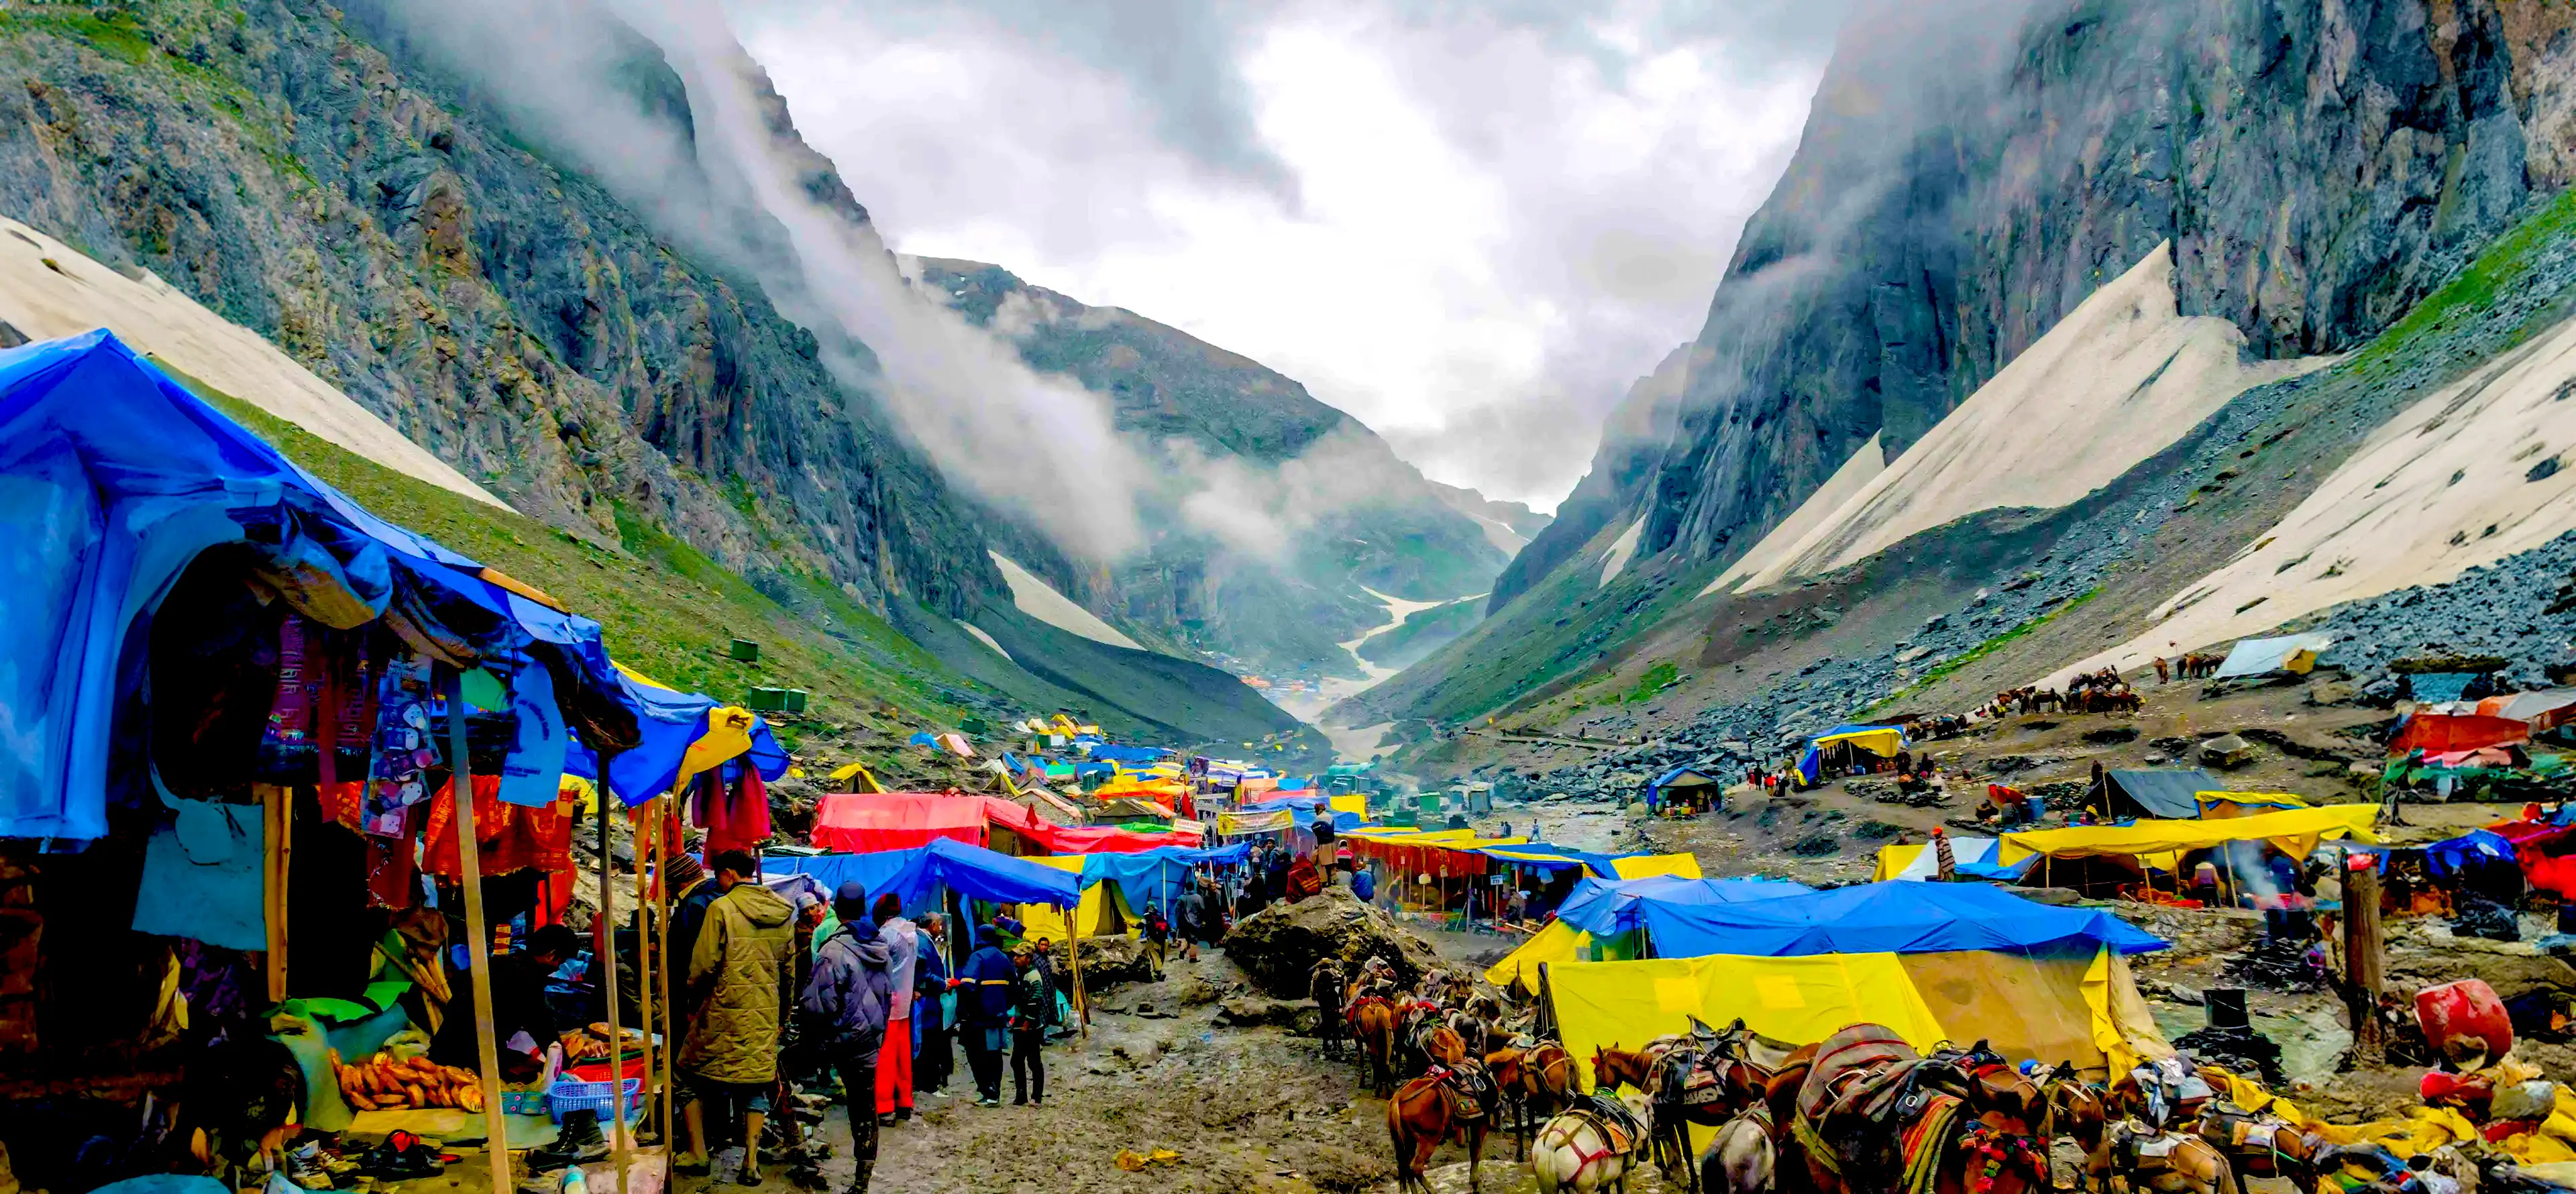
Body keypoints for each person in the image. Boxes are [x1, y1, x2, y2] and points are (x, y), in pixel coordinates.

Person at [679, 850, 795, 1187]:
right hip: (764, 1014)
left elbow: (703, 968)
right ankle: (751, 1163)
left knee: (685, 1076)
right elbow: (789, 972)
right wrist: (781, 1015)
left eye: (719, 876)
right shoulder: (783, 912)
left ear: (729, 874)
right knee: (755, 1083)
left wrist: (692, 1001)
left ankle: (698, 1154)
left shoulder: (721, 909)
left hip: (722, 1012)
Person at [800, 881, 892, 1194]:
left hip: (845, 1041)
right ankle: (862, 1177)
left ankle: (859, 1179)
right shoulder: (880, 946)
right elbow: (886, 994)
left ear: (836, 909)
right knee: (865, 1106)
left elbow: (817, 1005)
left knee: (857, 1104)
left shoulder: (833, 951)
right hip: (872, 1040)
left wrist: (816, 1045)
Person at [661, 851, 721, 1166]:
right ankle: (713, 1132)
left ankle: (697, 1143)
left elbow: (693, 962)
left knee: (686, 1070)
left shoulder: (693, 907)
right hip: (719, 1003)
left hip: (693, 1004)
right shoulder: (718, 898)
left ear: (675, 882)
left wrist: (688, 1004)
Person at [871, 893, 918, 1126]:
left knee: (886, 1056)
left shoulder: (886, 934)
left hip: (888, 1002)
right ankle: (905, 1103)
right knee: (903, 1054)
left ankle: (885, 1107)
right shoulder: (911, 932)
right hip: (906, 1000)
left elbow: (876, 965)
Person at [956, 922, 1014, 1106]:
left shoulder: (977, 957)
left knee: (976, 1054)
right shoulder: (1004, 958)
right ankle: (995, 1091)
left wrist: (965, 1011)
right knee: (995, 1054)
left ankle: (988, 1092)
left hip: (979, 1019)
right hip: (999, 1017)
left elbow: (967, 986)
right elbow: (1014, 988)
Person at [1008, 943, 1053, 1106]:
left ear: (1028, 958)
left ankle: (1036, 1097)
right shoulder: (1021, 974)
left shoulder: (1033, 976)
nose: (1015, 958)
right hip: (1022, 1022)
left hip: (1031, 1026)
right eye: (1015, 955)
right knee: (1019, 1060)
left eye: (1019, 956)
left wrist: (1027, 1021)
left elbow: (1036, 1001)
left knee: (1032, 1061)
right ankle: (1023, 1096)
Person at [913, 913, 952, 1095]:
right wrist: (944, 983)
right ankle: (928, 1084)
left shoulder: (924, 941)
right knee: (929, 1043)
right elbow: (924, 974)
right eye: (939, 925)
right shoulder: (922, 943)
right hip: (927, 1001)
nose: (941, 928)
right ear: (933, 924)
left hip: (930, 999)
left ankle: (927, 1081)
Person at [1141, 904, 1171, 979]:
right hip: (1164, 940)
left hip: (1153, 940)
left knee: (1154, 955)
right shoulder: (1161, 918)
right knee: (1161, 956)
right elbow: (1169, 929)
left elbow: (1140, 925)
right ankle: (1158, 971)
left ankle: (1160, 971)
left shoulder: (1147, 918)